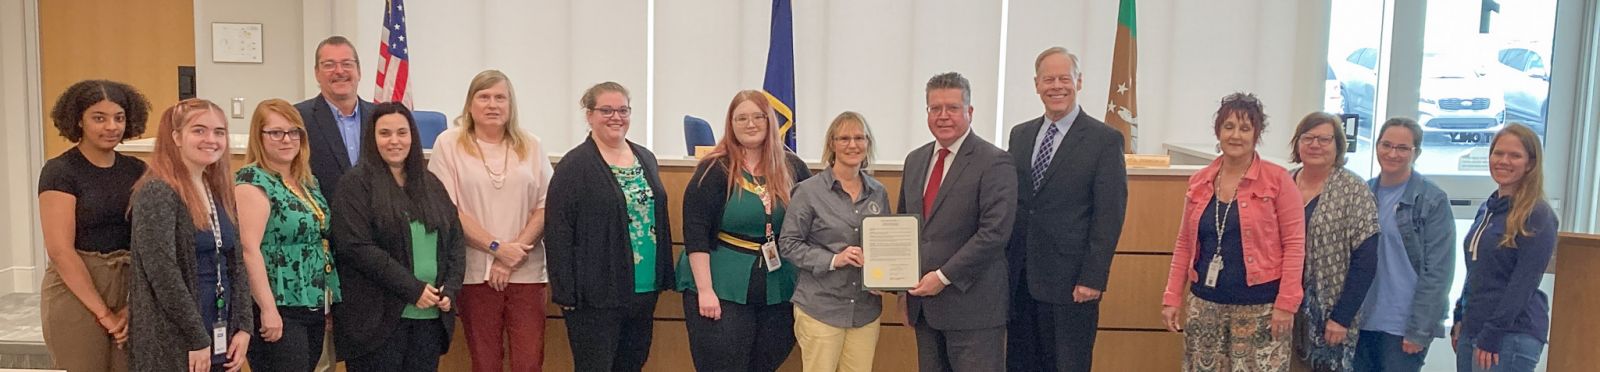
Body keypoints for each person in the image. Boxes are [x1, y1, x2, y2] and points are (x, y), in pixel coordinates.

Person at [1004, 47, 1129, 372]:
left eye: (1064, 78)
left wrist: (1093, 277)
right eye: (1049, 79)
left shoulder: (1105, 140)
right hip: (1021, 280)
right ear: (1036, 84)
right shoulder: (1020, 135)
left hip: (1073, 285)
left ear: (1079, 81)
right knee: (1021, 364)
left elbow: (1109, 215)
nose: (1056, 86)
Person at [1160, 93, 1304, 372]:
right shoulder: (1200, 181)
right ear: (1218, 132)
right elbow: (1184, 244)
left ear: (1256, 134)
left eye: (1245, 128)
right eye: (1229, 127)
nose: (1236, 135)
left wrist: (1286, 304)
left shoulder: (1278, 180)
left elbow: (1295, 245)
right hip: (1205, 305)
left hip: (1261, 308)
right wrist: (1171, 297)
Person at [427, 70, 553, 372]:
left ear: (511, 105)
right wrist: (497, 248)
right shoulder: (449, 143)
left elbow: (547, 206)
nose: (492, 104)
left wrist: (512, 254)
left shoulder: (531, 144)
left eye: (500, 97)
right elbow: (447, 209)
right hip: (475, 272)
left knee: (529, 362)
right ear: (470, 104)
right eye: (483, 97)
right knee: (485, 362)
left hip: (526, 271)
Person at [678, 89, 811, 372]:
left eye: (757, 117)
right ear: (731, 124)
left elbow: (815, 221)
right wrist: (705, 290)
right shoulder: (713, 169)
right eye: (741, 118)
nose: (750, 124)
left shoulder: (793, 167)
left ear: (770, 121)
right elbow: (695, 233)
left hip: (778, 285)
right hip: (720, 284)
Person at [546, 82, 674, 372]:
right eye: (606, 110)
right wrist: (564, 290)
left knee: (632, 364)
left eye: (623, 110)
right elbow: (558, 231)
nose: (616, 117)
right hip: (595, 294)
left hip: (643, 288)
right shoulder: (574, 165)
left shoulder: (645, 157)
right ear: (589, 115)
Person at [331, 103, 464, 372]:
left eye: (402, 133)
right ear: (372, 138)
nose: (394, 141)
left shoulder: (430, 183)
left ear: (412, 137)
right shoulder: (355, 184)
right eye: (385, 133)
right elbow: (356, 247)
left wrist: (450, 288)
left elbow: (455, 240)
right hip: (377, 323)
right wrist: (413, 289)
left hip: (428, 319)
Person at [899, 72, 1017, 372]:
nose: (943, 116)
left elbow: (994, 233)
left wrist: (942, 276)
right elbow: (905, 228)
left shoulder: (995, 161)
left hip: (974, 309)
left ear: (970, 111)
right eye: (935, 108)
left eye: (952, 108)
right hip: (924, 308)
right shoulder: (915, 160)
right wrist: (899, 287)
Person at [127, 98, 254, 372]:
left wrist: (244, 325)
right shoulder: (157, 192)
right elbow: (163, 274)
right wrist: (196, 337)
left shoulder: (217, 189)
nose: (211, 139)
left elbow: (236, 262)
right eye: (199, 130)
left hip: (221, 325)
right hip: (178, 335)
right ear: (176, 137)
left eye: (219, 132)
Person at [38, 79, 150, 372]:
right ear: (79, 121)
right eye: (99, 118)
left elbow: (146, 239)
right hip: (78, 290)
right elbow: (60, 250)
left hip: (129, 285)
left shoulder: (137, 170)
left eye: (119, 118)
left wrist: (131, 305)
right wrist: (104, 314)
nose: (111, 126)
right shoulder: (60, 171)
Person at [235, 99, 341, 372]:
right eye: (276, 132)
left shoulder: (307, 181)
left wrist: (326, 301)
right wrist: (268, 310)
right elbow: (249, 250)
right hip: (277, 305)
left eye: (294, 132)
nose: (287, 139)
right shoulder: (252, 181)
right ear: (259, 136)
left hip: (312, 302)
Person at [778, 111, 888, 372]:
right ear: (832, 144)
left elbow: (884, 243)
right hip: (821, 308)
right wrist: (833, 259)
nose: (853, 145)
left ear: (868, 144)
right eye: (844, 138)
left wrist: (884, 278)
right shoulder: (808, 191)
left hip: (864, 310)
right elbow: (789, 244)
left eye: (860, 138)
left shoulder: (878, 192)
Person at [1451, 124, 1556, 372]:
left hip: (1509, 335)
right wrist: (1460, 316)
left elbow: (1523, 283)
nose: (1503, 161)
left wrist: (1492, 334)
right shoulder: (1488, 209)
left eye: (1514, 155)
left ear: (1530, 163)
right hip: (1474, 328)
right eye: (1498, 153)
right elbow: (1477, 272)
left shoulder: (1537, 215)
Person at [1356, 118, 1456, 372]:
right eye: (1386, 145)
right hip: (1363, 321)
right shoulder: (1363, 194)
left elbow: (1438, 272)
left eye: (1402, 148)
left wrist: (1419, 330)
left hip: (1404, 326)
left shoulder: (1432, 200)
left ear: (1417, 153)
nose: (1392, 153)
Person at [1286, 112, 1379, 372]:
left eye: (1324, 139)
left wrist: (1342, 317)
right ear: (1297, 144)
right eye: (1308, 138)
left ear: (1338, 145)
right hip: (1283, 309)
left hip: (1330, 313)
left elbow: (1367, 260)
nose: (1315, 145)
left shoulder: (1354, 190)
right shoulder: (1282, 183)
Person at [297, 35, 376, 200]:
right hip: (323, 220)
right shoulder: (298, 118)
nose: (339, 71)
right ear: (317, 73)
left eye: (347, 64)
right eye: (329, 65)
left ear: (359, 72)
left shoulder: (379, 117)